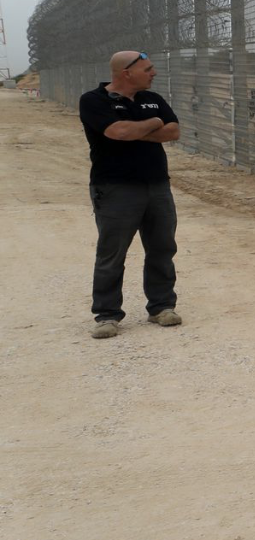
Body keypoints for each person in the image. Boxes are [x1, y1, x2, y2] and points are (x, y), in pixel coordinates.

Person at [78, 51, 183, 338]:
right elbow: (119, 132)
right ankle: (107, 314)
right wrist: (154, 122)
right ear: (126, 73)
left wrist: (138, 130)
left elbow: (173, 131)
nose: (153, 73)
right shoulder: (94, 100)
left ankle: (162, 306)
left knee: (162, 248)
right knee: (112, 252)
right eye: (147, 69)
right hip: (115, 188)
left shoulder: (153, 99)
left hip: (157, 186)